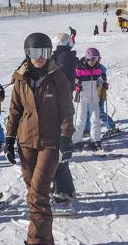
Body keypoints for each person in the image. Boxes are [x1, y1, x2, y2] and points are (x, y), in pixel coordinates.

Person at [5, 33, 75, 245]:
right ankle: (45, 241)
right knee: (33, 195)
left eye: (44, 52)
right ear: (27, 53)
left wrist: (65, 137)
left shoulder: (57, 77)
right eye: (35, 53)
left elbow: (67, 110)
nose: (39, 57)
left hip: (49, 142)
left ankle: (35, 241)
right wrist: (9, 137)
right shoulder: (20, 78)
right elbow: (15, 110)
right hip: (26, 142)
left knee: (39, 194)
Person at [50, 32, 79, 207]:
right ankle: (64, 188)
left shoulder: (64, 58)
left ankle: (64, 190)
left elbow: (57, 75)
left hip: (60, 106)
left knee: (59, 149)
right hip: (59, 105)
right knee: (57, 148)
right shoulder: (63, 57)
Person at [72, 47, 105, 151]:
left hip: (94, 97)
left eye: (96, 59)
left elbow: (100, 80)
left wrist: (104, 84)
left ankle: (95, 140)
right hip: (81, 96)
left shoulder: (98, 68)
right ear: (87, 58)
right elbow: (73, 80)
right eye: (91, 59)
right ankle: (76, 141)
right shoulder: (79, 67)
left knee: (95, 119)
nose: (93, 61)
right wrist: (76, 85)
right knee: (80, 119)